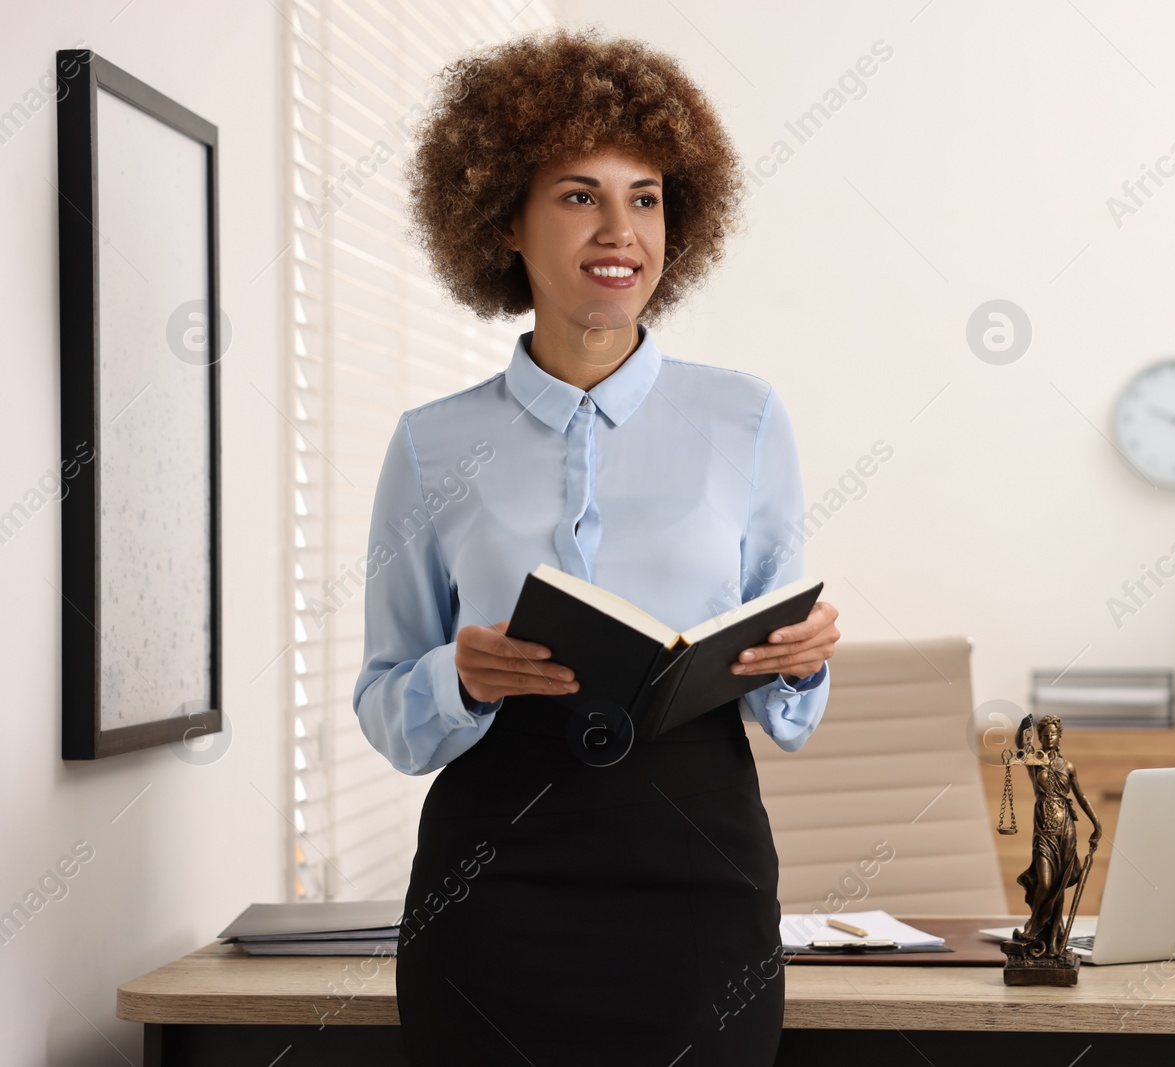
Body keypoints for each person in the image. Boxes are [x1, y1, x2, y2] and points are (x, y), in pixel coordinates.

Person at [351, 28, 841, 1066]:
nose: (620, 228)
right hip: (492, 886)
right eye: (578, 194)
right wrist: (460, 674)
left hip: (699, 878)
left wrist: (798, 661)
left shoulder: (746, 418)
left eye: (646, 196)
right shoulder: (431, 442)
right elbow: (389, 707)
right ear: (505, 222)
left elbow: (783, 706)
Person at [1013, 716, 1101, 958]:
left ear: (1060, 736)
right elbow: (1021, 748)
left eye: (1053, 734)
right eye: (1044, 735)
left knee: (1060, 886)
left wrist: (1097, 824)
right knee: (1045, 881)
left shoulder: (1068, 766)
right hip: (1043, 830)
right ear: (1039, 738)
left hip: (1066, 831)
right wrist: (1022, 729)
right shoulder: (1034, 763)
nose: (1049, 738)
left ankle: (1053, 942)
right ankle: (1035, 925)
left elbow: (1081, 797)